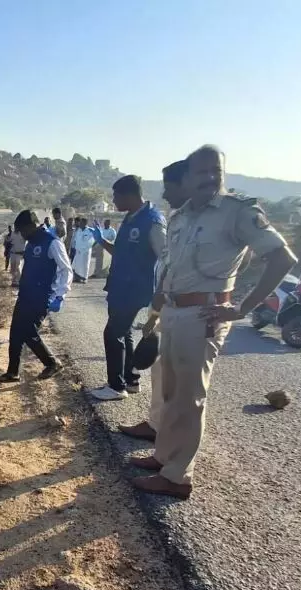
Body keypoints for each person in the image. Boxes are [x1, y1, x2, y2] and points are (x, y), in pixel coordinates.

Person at [129, 145, 296, 499]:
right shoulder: (180, 216)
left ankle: (177, 478)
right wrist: (160, 298)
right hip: (174, 312)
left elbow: (282, 258)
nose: (209, 178)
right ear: (187, 178)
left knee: (190, 398)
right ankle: (164, 458)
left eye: (215, 171)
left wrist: (243, 307)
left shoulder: (238, 212)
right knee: (172, 392)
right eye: (201, 172)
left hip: (203, 316)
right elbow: (173, 264)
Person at [120, 159, 189, 441]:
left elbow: (166, 259)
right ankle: (156, 425)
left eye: (168, 187)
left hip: (187, 307)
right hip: (163, 303)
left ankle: (172, 440)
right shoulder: (179, 220)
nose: (164, 194)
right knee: (160, 369)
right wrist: (155, 309)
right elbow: (167, 266)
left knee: (183, 379)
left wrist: (239, 306)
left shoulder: (159, 222)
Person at [88, 175, 166, 401]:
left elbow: (166, 259)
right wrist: (101, 241)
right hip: (120, 287)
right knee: (125, 333)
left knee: (112, 334)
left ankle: (115, 386)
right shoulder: (131, 218)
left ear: (129, 195)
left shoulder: (152, 221)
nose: (114, 201)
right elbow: (121, 253)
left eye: (115, 196)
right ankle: (130, 380)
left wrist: (160, 295)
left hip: (133, 289)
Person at [0, 210, 73, 382]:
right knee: (15, 332)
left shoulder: (52, 242)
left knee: (28, 331)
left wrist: (60, 295)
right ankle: (12, 372)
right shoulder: (31, 243)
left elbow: (66, 270)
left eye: (23, 231)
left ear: (32, 226)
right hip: (25, 295)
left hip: (41, 297)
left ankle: (52, 363)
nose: (22, 235)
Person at [71, 217, 94, 282]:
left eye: (81, 222)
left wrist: (84, 248)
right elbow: (76, 240)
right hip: (78, 251)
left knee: (84, 265)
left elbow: (91, 241)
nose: (79, 224)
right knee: (76, 265)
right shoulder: (79, 230)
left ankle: (84, 278)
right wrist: (75, 248)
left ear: (84, 223)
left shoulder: (89, 231)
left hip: (85, 252)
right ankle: (77, 278)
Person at [9, 220, 27, 287]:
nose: (15, 227)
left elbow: (27, 242)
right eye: (15, 226)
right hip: (13, 253)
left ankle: (18, 282)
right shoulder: (13, 233)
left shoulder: (23, 233)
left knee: (18, 268)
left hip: (20, 254)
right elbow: (10, 241)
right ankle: (13, 281)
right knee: (13, 268)